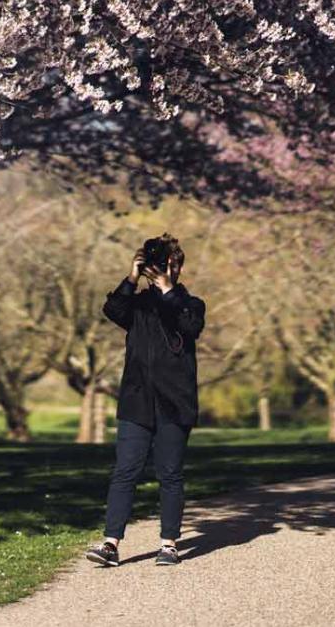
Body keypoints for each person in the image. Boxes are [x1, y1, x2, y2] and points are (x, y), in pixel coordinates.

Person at [85, 233, 206, 567]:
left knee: (170, 474)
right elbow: (113, 309)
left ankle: (169, 543)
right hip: (137, 401)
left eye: (171, 264)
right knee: (125, 471)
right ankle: (110, 543)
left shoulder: (190, 304)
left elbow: (189, 326)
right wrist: (131, 276)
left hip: (174, 403)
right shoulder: (138, 306)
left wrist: (168, 289)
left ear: (178, 267)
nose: (166, 269)